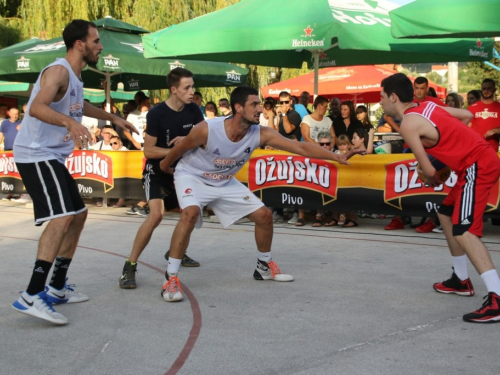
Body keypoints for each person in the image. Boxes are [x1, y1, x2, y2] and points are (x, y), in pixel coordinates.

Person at [157, 86, 363, 302]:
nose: (260, 109)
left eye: (259, 104)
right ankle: (170, 278)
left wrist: (335, 156)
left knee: (264, 216)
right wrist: (165, 166)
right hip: (193, 175)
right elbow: (179, 149)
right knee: (189, 213)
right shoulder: (207, 129)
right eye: (254, 105)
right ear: (238, 108)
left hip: (224, 180)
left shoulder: (261, 133)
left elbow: (299, 148)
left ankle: (264, 266)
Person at [11, 19, 137, 325]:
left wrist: (113, 118)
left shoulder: (76, 79)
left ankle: (56, 286)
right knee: (63, 215)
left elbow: (80, 107)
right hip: (36, 154)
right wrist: (69, 123)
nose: (100, 46)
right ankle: (32, 294)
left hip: (51, 156)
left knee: (78, 214)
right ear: (80, 44)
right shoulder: (58, 71)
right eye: (96, 41)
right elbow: (37, 107)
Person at [380, 72, 500, 323]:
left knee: (464, 230)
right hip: (474, 164)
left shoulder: (409, 124)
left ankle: (497, 297)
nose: (381, 102)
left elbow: (431, 173)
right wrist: (450, 149)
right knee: (445, 212)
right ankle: (460, 279)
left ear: (393, 97)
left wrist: (427, 173)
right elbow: (467, 116)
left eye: (382, 97)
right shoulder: (428, 105)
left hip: (477, 166)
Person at [118, 67, 203, 290]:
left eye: (192, 86)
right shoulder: (156, 113)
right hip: (156, 172)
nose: (192, 91)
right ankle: (130, 265)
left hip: (182, 172)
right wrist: (178, 149)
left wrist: (187, 140)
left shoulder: (194, 110)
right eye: (187, 87)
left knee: (191, 213)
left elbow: (204, 140)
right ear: (174, 90)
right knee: (156, 215)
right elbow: (149, 151)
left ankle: (177, 251)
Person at [295, 96, 335, 227]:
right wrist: (320, 148)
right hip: (309, 156)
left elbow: (333, 136)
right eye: (325, 106)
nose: (326, 108)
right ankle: (301, 216)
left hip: (324, 157)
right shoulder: (307, 119)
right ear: (319, 105)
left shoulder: (328, 120)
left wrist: (329, 149)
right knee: (304, 185)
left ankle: (319, 215)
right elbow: (306, 137)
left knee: (321, 185)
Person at [468, 78, 500, 152]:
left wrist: (495, 130)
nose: (486, 91)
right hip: (475, 148)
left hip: (492, 149)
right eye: (484, 89)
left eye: (489, 89)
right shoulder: (473, 107)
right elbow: (467, 128)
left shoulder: (498, 107)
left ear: (494, 90)